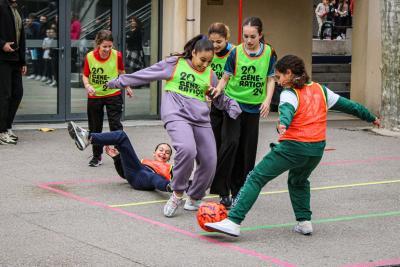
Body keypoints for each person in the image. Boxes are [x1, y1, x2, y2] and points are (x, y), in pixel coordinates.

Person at [205, 55, 381, 237]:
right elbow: (350, 106)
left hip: (293, 147)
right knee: (298, 181)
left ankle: (233, 221)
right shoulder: (321, 90)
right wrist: (370, 117)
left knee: (255, 177)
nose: (279, 82)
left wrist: (284, 123)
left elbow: (288, 109)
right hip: (316, 149)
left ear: (289, 74)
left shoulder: (289, 93)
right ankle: (304, 222)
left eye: (279, 77)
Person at [106, 34, 241, 218]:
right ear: (193, 52)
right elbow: (147, 73)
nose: (204, 64)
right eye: (202, 59)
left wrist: (229, 104)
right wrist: (118, 82)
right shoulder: (175, 64)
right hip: (176, 113)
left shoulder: (210, 74)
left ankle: (194, 197)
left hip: (200, 119)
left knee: (210, 160)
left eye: (209, 62)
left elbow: (218, 97)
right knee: (187, 149)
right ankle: (177, 194)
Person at [209, 17, 277, 208]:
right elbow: (225, 77)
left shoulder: (269, 52)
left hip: (254, 107)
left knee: (247, 152)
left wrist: (267, 100)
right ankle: (223, 191)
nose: (248, 40)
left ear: (260, 35)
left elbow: (271, 79)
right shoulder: (235, 52)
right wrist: (218, 90)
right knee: (230, 144)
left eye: (252, 36)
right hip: (233, 104)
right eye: (245, 36)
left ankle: (240, 192)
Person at [67, 121, 173, 192]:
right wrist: (117, 158)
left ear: (169, 158)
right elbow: (124, 175)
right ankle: (89, 138)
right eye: (161, 150)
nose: (163, 153)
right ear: (154, 153)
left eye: (167, 152)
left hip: (149, 179)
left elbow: (184, 178)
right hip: (137, 174)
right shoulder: (143, 162)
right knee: (121, 136)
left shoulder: (171, 168)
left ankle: (169, 187)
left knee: (153, 176)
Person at [82, 29, 133, 167]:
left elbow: (122, 72)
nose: (107, 49)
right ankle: (97, 156)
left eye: (110, 46)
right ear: (98, 44)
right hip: (95, 96)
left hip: (113, 95)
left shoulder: (117, 55)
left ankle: (121, 154)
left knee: (116, 126)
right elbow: (85, 75)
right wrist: (87, 86)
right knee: (95, 127)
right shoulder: (90, 57)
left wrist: (127, 86)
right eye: (104, 46)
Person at [0, 0, 26, 145]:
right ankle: (1, 131)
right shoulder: (1, 6)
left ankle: (7, 126)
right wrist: (2, 44)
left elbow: (21, 36)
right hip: (2, 58)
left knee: (17, 93)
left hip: (15, 59)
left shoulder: (16, 9)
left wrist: (23, 61)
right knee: (4, 95)